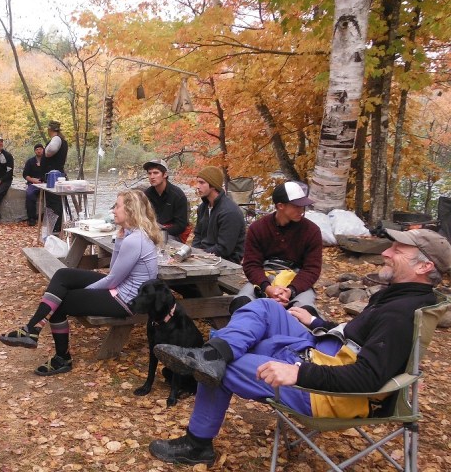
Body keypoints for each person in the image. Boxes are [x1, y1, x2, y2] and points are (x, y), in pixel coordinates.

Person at [148, 229, 450, 465]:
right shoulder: (399, 296)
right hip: (322, 352)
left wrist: (299, 374)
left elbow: (367, 379)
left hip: (328, 392)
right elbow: (361, 339)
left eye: (397, 250)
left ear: (424, 265)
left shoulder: (400, 314)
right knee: (265, 307)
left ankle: (197, 443)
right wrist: (318, 321)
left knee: (225, 366)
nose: (386, 252)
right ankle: (213, 353)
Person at [0, 189, 161, 375]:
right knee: (63, 274)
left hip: (127, 300)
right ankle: (31, 330)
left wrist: (88, 290)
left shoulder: (136, 240)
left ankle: (61, 358)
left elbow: (113, 279)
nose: (113, 210)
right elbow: (114, 271)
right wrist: (119, 239)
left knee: (61, 303)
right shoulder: (131, 235)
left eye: (117, 206)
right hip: (120, 288)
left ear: (130, 210)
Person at [229, 181, 322, 315]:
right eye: (297, 206)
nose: (301, 210)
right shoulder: (258, 228)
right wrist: (267, 288)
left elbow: (311, 269)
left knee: (305, 312)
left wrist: (291, 291)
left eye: (303, 206)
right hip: (263, 279)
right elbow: (252, 264)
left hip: (297, 281)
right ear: (280, 206)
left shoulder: (311, 231)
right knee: (242, 305)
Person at [190, 166, 245, 263]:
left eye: (202, 182)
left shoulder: (229, 212)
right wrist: (194, 252)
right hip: (205, 257)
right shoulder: (203, 208)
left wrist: (200, 255)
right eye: (198, 182)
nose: (197, 186)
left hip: (227, 262)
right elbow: (198, 236)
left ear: (213, 185)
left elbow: (224, 248)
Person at [143, 159, 191, 243]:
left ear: (165, 174)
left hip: (173, 235)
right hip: (153, 231)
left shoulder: (177, 195)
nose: (152, 176)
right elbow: (143, 217)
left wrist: (161, 231)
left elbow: (181, 226)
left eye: (156, 173)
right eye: (149, 173)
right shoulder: (147, 194)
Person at [41, 120, 68, 232]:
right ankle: (54, 229)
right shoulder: (63, 141)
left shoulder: (56, 140)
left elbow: (49, 151)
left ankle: (55, 230)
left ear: (50, 129)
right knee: (55, 202)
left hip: (54, 177)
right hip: (56, 176)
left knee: (54, 203)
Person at [23, 143, 45, 226]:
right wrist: (33, 180)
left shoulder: (48, 160)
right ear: (35, 151)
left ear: (43, 149)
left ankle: (47, 217)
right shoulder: (30, 161)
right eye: (37, 149)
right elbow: (25, 175)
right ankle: (31, 218)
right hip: (33, 183)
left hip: (45, 183)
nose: (39, 151)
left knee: (52, 195)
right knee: (29, 194)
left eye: (40, 149)